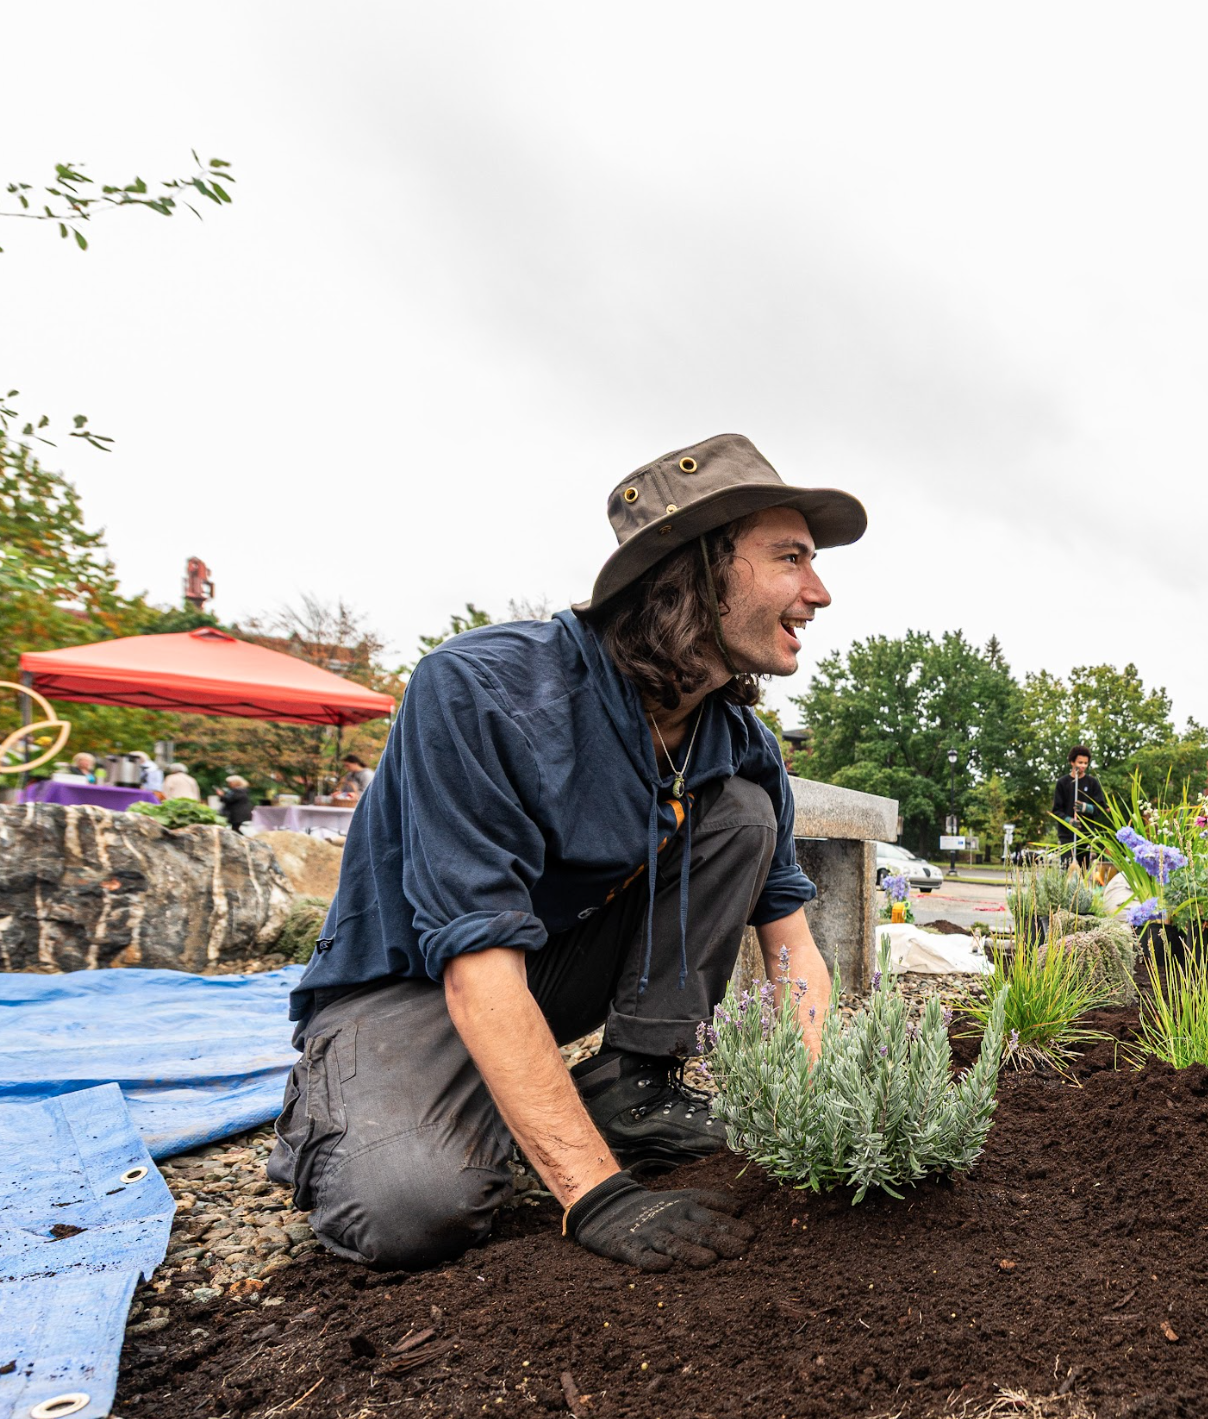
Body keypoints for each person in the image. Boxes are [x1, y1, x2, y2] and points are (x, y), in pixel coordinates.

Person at [268, 433, 861, 1273]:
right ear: (693, 571)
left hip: (544, 972)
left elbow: (792, 948)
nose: (820, 592)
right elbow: (475, 964)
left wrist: (815, 1112)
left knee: (739, 814)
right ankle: (343, 1107)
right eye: (791, 558)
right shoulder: (484, 692)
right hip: (415, 987)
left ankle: (632, 1087)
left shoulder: (737, 743)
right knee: (409, 1208)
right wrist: (596, 1194)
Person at [1051, 745, 1107, 866]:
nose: (1083, 766)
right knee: (1067, 867)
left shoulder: (1092, 783)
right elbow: (1056, 810)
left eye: (1085, 763)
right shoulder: (1062, 783)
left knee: (1083, 869)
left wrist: (1087, 808)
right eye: (1080, 762)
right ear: (1072, 762)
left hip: (1085, 833)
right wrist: (1069, 820)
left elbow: (1101, 808)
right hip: (1067, 834)